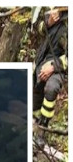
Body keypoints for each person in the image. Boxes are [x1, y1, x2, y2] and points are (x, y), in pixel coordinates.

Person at [33, 7, 67, 144]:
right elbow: (39, 29)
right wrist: (49, 23)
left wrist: (54, 66)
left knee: (51, 88)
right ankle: (33, 124)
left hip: (61, 68)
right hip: (42, 61)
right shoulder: (55, 9)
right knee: (33, 99)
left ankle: (42, 130)